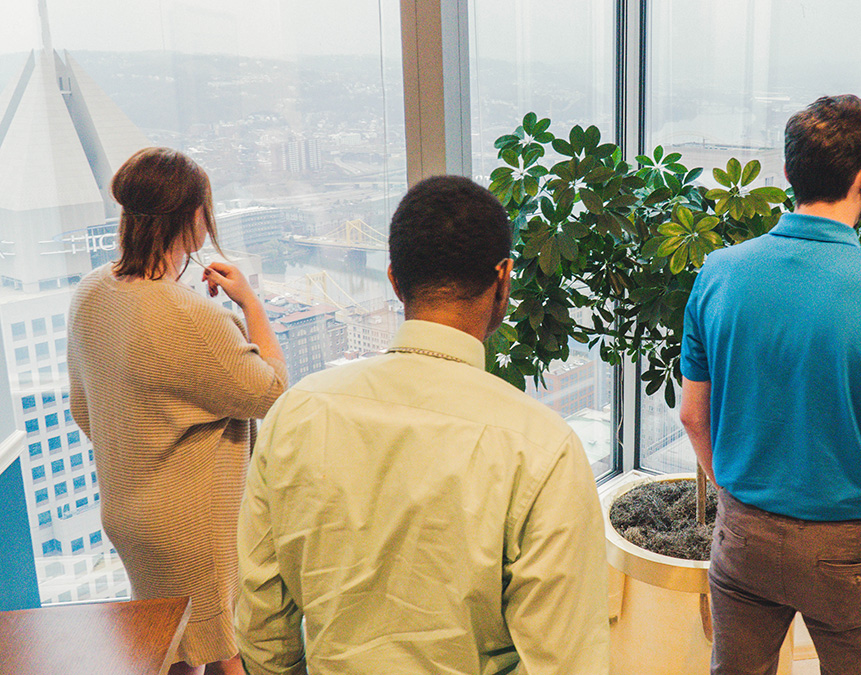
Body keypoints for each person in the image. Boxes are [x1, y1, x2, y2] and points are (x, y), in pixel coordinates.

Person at [235, 174, 608, 675]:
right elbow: (564, 662)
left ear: (393, 279)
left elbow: (262, 626)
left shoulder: (296, 413)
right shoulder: (541, 448)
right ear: (504, 279)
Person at [679, 94, 861, 675]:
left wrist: (731, 490)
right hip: (850, 546)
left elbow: (692, 416)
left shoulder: (719, 273)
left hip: (745, 532)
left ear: (787, 173)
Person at [68, 147, 288, 675]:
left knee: (173, 649)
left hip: (127, 514)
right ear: (192, 221)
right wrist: (251, 306)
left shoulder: (91, 292)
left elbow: (83, 409)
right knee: (221, 651)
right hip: (189, 524)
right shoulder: (188, 314)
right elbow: (273, 390)